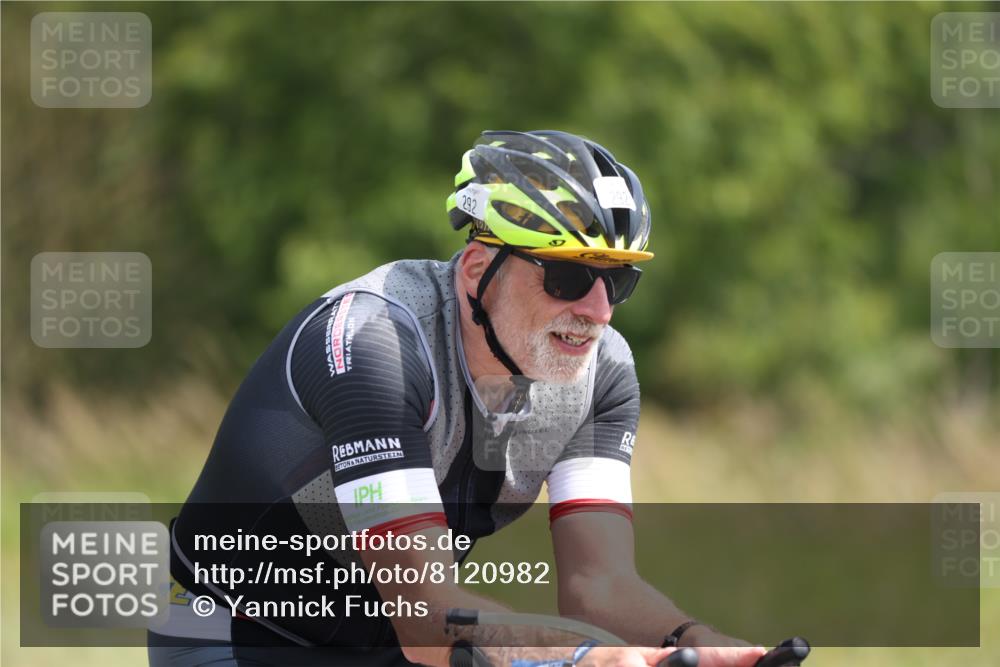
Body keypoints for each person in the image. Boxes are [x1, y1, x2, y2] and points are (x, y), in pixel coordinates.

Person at [149, 130, 767, 667]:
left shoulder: (603, 373)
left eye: (619, 279)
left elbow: (597, 584)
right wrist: (579, 653)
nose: (598, 310)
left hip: (389, 637)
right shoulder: (376, 346)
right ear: (477, 269)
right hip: (238, 630)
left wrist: (695, 641)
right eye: (570, 276)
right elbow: (425, 617)